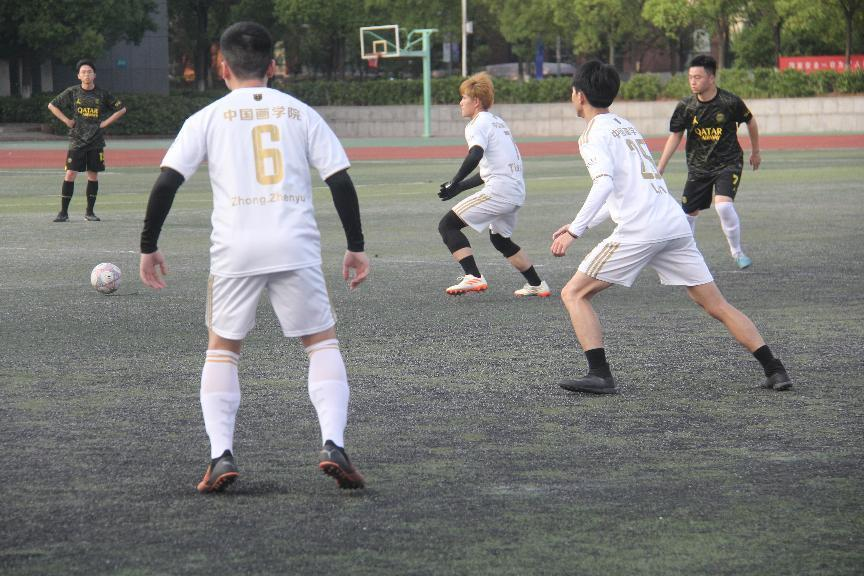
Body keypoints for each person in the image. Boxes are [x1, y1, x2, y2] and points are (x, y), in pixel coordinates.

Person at [139, 22, 369, 493]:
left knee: (222, 348)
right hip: (294, 244)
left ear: (222, 66)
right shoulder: (300, 113)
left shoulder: (207, 117)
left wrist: (148, 245)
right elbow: (340, 181)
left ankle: (220, 456)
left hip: (235, 248)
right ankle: (333, 444)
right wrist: (356, 245)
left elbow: (166, 183)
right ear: (272, 67)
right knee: (321, 343)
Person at [550, 60, 791, 395]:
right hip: (673, 224)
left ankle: (600, 375)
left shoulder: (591, 135)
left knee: (574, 293)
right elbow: (621, 189)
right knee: (716, 305)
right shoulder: (624, 125)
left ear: (579, 95)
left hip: (641, 230)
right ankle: (775, 369)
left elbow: (603, 183)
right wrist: (581, 224)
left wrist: (575, 231)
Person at [437, 72, 550, 297]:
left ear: (476, 101)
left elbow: (475, 154)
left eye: (464, 98)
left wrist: (454, 181)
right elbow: (490, 169)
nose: (460, 102)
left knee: (447, 225)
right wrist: (459, 187)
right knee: (499, 239)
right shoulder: (497, 122)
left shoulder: (476, 124)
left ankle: (473, 276)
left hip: (500, 191)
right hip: (515, 191)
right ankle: (537, 284)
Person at [656, 54, 760, 269]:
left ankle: (737, 252)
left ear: (711, 78)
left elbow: (750, 121)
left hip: (728, 162)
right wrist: (661, 167)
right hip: (698, 167)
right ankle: (686, 257)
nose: (693, 82)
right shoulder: (686, 106)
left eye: (698, 77)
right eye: (690, 77)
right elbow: (675, 135)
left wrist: (756, 152)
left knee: (723, 206)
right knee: (688, 214)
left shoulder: (730, 102)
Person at [47, 59, 126, 222]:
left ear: (94, 75)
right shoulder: (72, 92)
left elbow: (121, 109)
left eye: (89, 72)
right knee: (70, 174)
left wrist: (104, 123)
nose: (86, 74)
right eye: (83, 72)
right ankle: (63, 213)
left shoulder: (102, 94)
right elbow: (52, 105)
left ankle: (89, 212)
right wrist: (66, 120)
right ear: (78, 76)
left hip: (95, 141)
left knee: (93, 175)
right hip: (77, 140)